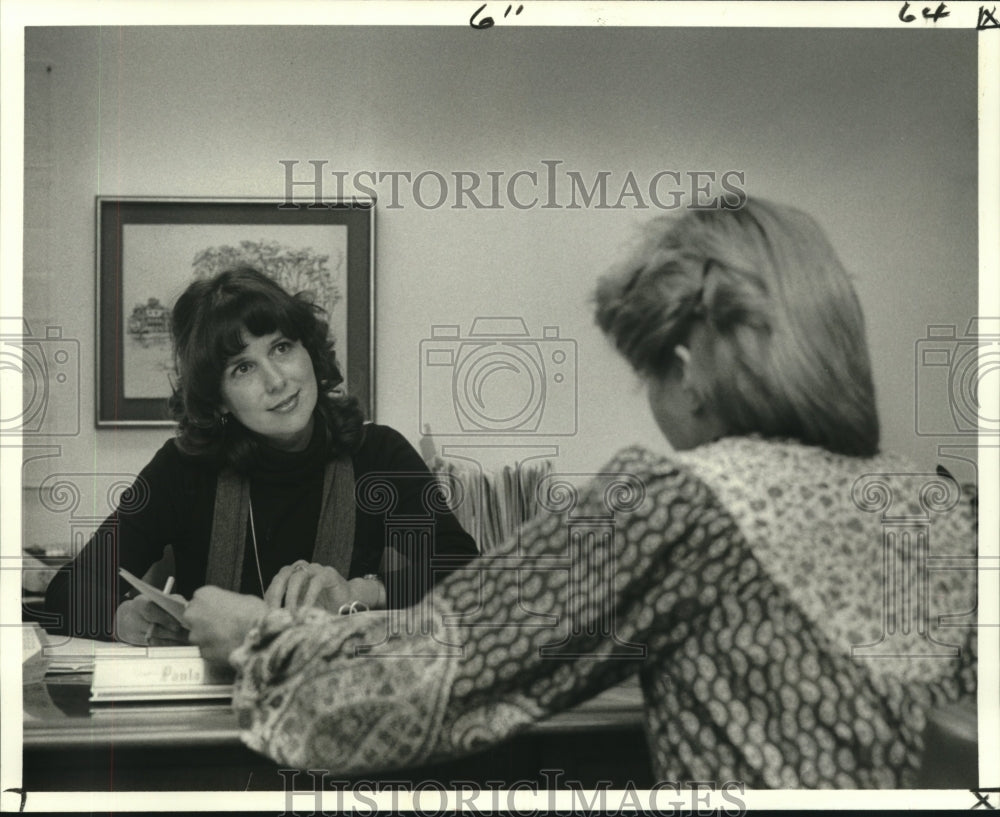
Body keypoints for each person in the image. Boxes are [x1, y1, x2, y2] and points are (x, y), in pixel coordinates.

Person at [182, 202, 977, 788]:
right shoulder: (934, 505)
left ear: (689, 367)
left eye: (647, 374)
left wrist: (257, 635)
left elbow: (428, 676)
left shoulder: (674, 502)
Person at [45, 267, 478, 644]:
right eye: (243, 368)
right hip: (213, 708)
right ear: (217, 401)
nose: (276, 381)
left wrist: (364, 593)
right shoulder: (181, 469)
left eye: (282, 348)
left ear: (309, 350)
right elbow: (68, 590)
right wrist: (124, 619)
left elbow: (471, 576)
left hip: (338, 694)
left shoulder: (378, 455)